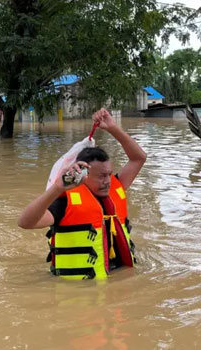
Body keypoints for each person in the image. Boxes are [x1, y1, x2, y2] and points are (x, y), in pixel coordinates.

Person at [18, 108, 147, 280]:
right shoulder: (65, 203)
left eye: (109, 174)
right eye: (101, 176)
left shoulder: (115, 187)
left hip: (120, 276)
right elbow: (25, 222)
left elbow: (139, 158)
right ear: (84, 175)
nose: (107, 181)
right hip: (81, 287)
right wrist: (57, 188)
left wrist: (113, 128)